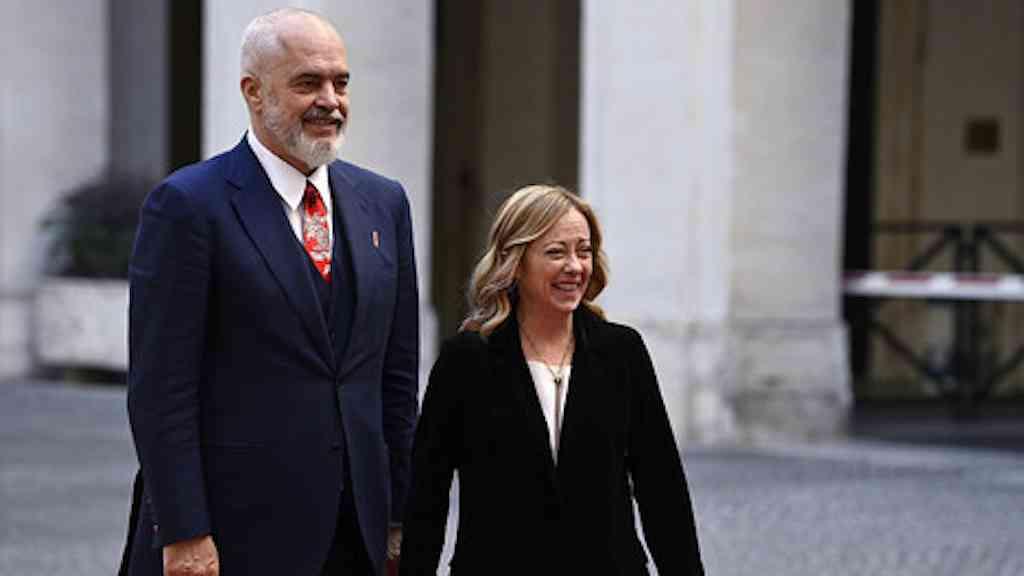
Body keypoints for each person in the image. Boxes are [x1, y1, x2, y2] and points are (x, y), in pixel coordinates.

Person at [121, 8, 419, 576]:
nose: (330, 101)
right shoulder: (187, 206)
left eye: (340, 83)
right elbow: (161, 390)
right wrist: (185, 532)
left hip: (357, 531)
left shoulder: (385, 203)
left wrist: (400, 516)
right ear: (253, 92)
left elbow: (397, 379)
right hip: (234, 534)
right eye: (308, 83)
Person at [398, 185, 704, 575]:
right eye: (556, 252)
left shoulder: (622, 352)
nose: (575, 266)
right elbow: (427, 493)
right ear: (515, 261)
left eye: (584, 251)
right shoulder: (467, 360)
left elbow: (661, 486)